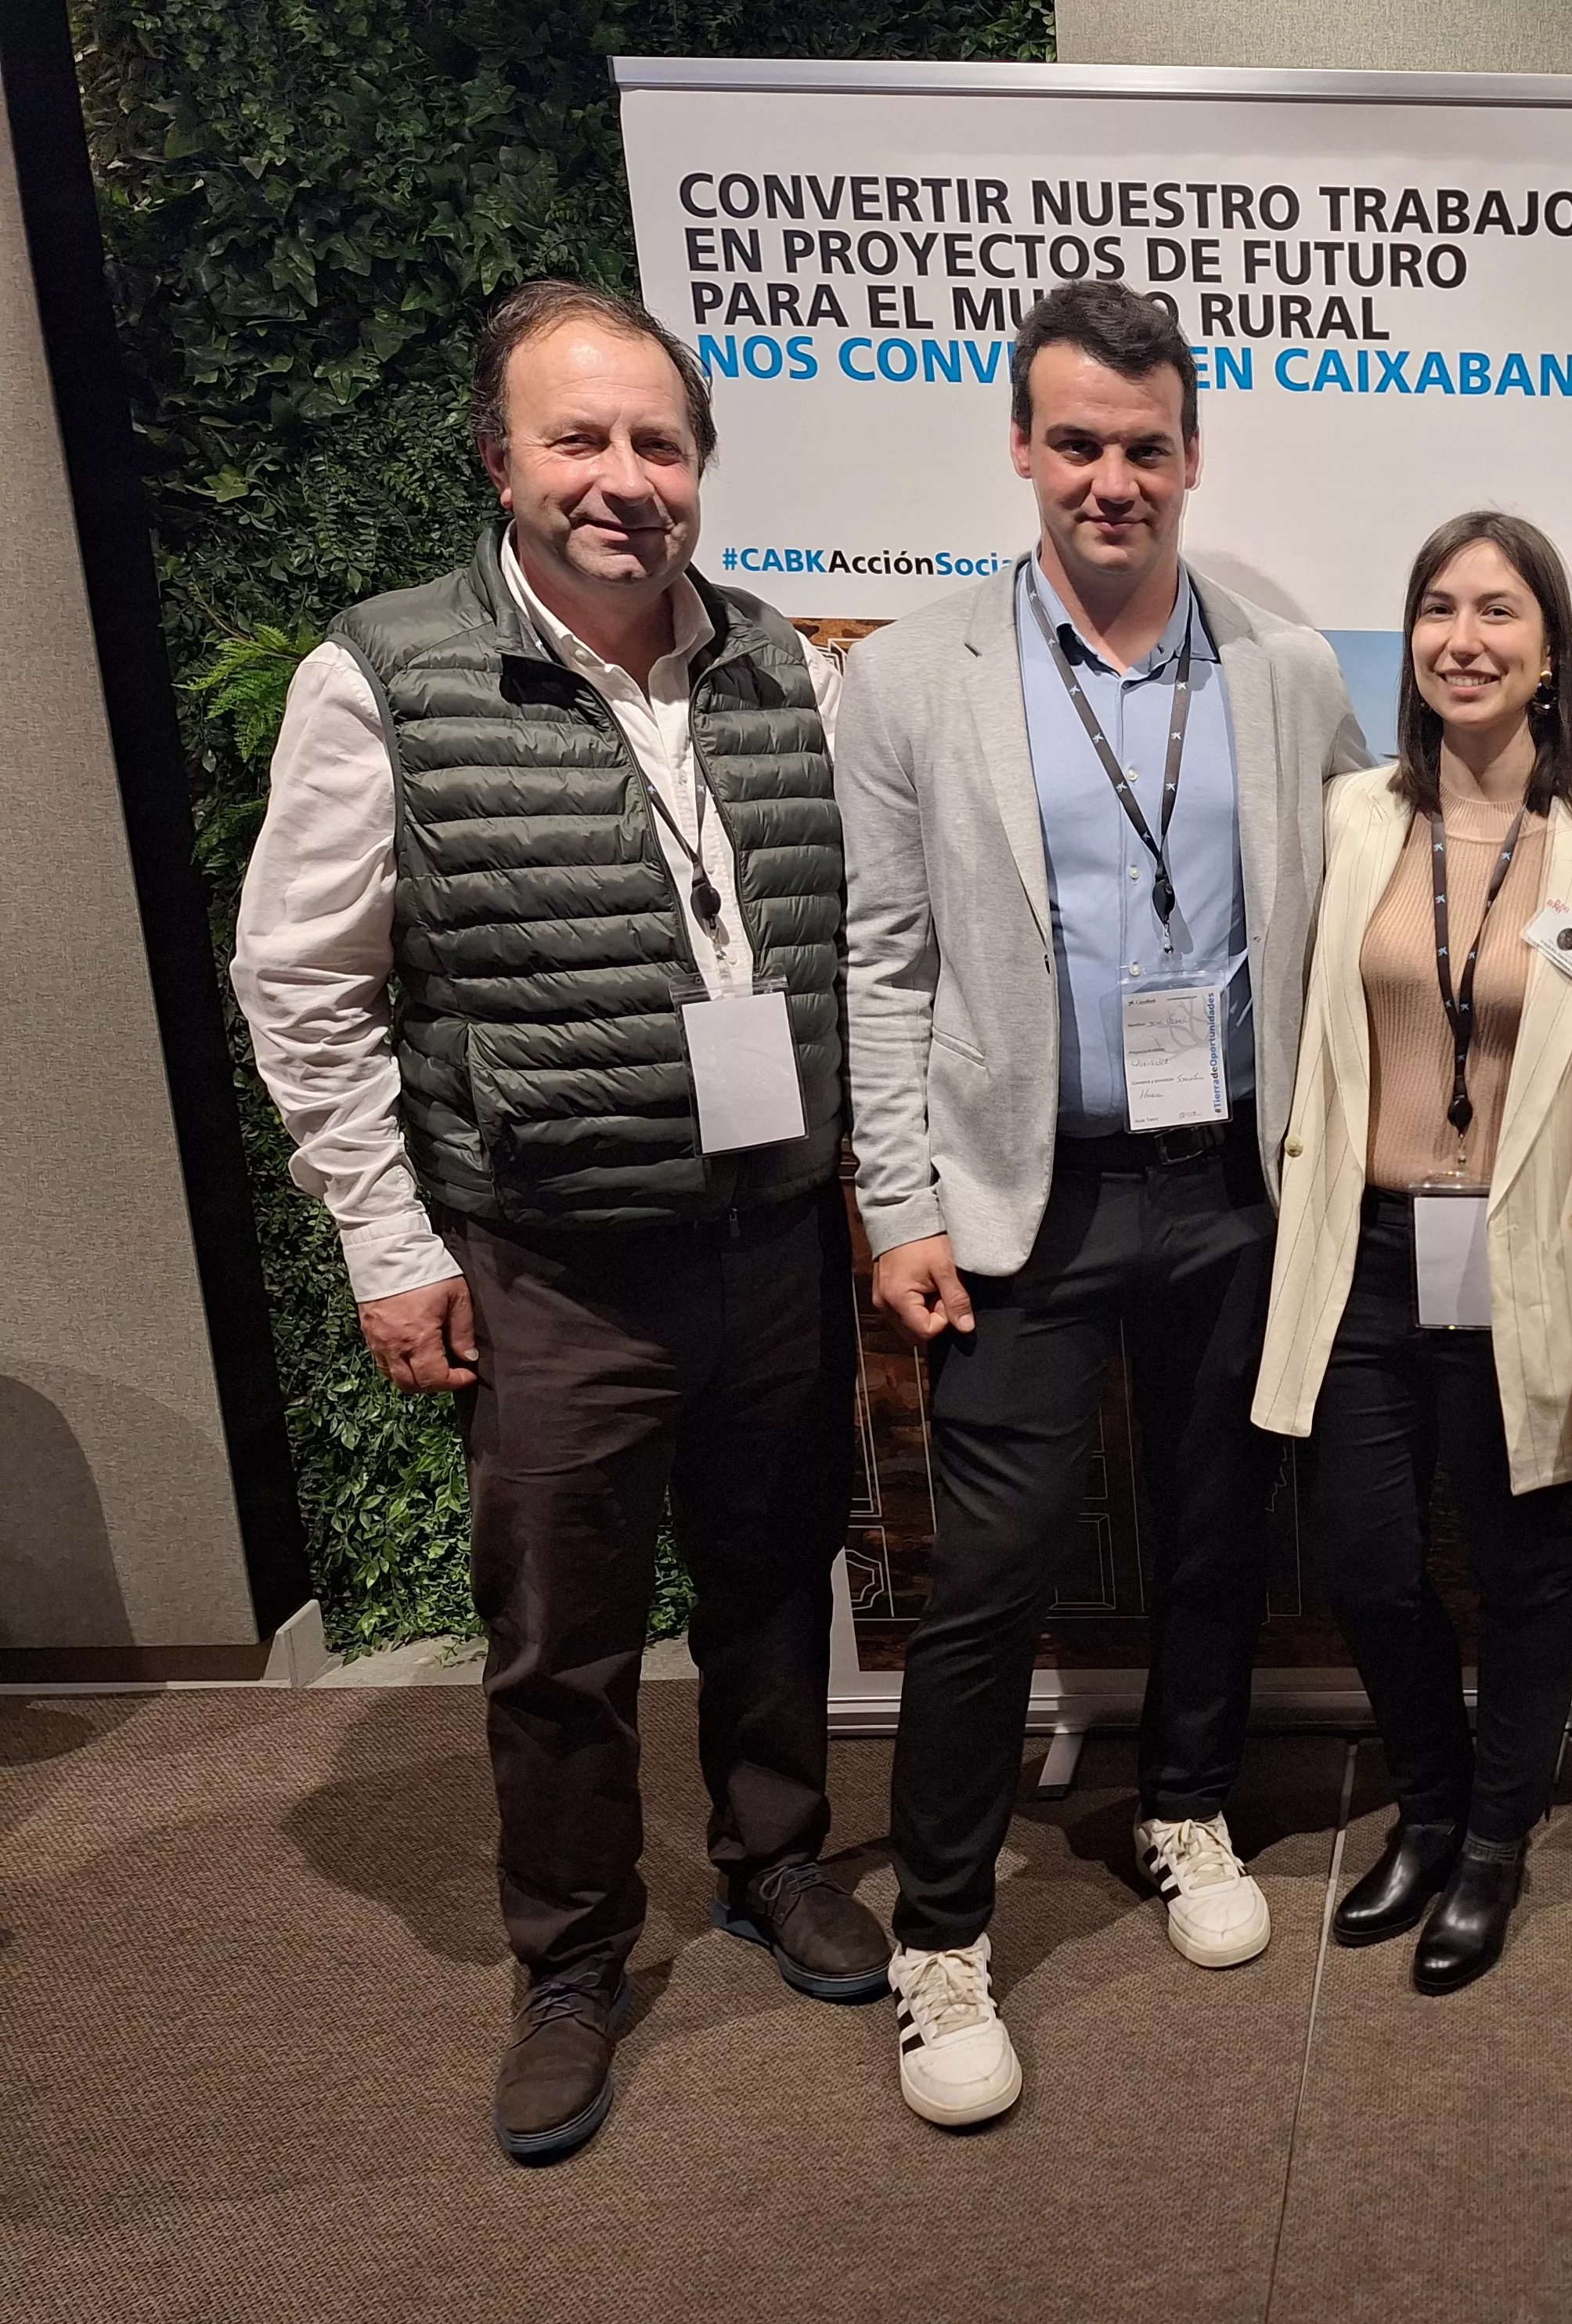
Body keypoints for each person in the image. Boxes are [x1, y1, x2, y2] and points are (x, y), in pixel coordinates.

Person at [229, 280, 879, 2166]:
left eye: (657, 443)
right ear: (499, 458)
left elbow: (856, 941)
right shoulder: (386, 677)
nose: (622, 478)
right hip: (553, 1258)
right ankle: (575, 1958)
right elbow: (302, 983)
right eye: (577, 438)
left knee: (775, 1578)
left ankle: (773, 1861)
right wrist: (387, 1240)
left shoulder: (786, 668)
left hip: (771, 1237)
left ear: (700, 470)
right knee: (560, 1637)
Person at [834, 281, 1369, 2124]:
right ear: (1021, 446)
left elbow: (1376, 873)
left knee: (1219, 1525)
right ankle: (939, 1936)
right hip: (1022, 1199)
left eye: (1146, 447)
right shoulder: (914, 676)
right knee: (989, 1576)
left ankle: (1186, 1803)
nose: (1111, 480)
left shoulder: (1283, 662)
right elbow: (883, 960)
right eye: (1076, 443)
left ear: (1193, 453)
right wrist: (897, 1207)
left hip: (1231, 1182)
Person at [1251, 511, 1572, 1994]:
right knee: (1368, 1561)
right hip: (1369, 1249)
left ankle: (1496, 1841)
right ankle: (1429, 1808)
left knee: (1521, 1564)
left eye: (1500, 611)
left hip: (1527, 1261)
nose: (1465, 639)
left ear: (1550, 652)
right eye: (1438, 608)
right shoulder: (1348, 822)